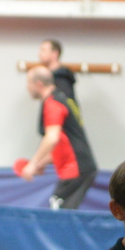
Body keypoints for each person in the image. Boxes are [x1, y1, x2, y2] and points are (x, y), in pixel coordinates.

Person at [23, 65, 97, 209]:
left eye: (28, 83)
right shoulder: (59, 99)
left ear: (38, 84)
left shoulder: (53, 103)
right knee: (62, 210)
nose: (27, 87)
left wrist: (32, 164)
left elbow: (52, 138)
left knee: (58, 210)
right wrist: (40, 164)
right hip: (79, 168)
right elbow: (62, 143)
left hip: (77, 168)